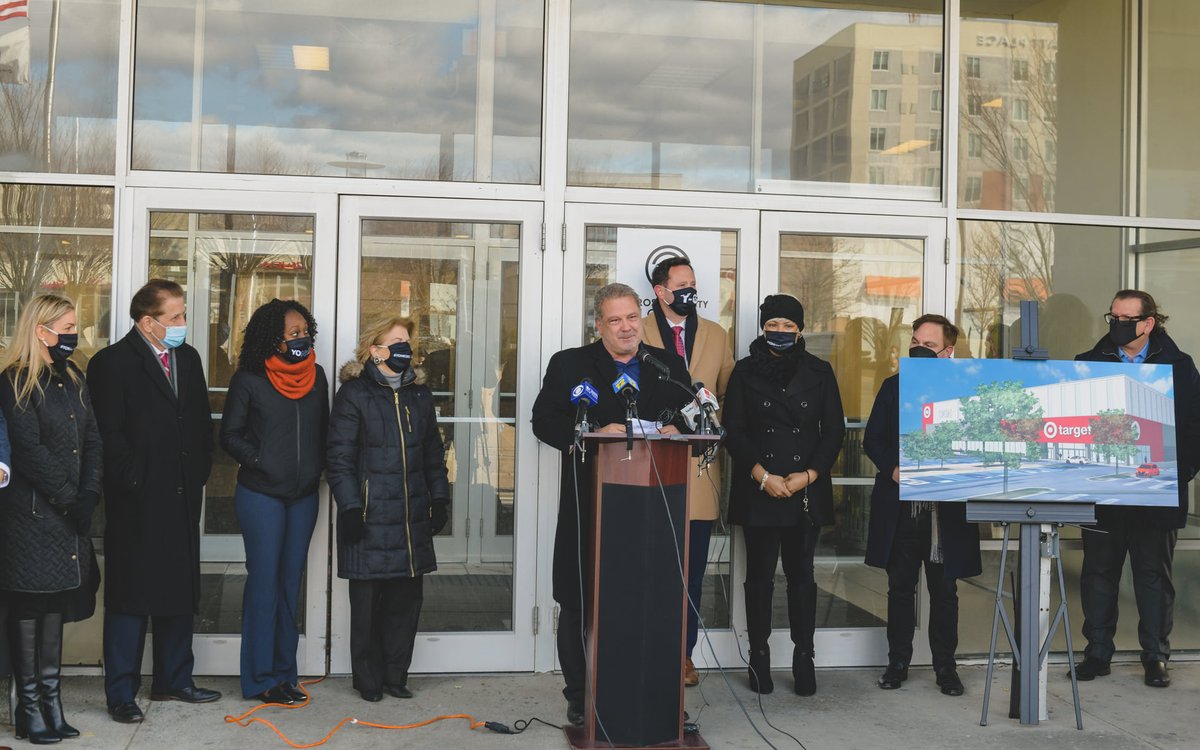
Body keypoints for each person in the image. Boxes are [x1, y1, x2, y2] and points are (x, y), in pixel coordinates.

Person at [532, 282, 692, 726]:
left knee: (651, 600)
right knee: (580, 597)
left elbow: (687, 418)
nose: (626, 328)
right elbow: (543, 420)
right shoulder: (570, 364)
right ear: (598, 324)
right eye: (615, 320)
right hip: (592, 503)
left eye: (632, 318)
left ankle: (655, 693)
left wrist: (679, 431)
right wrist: (586, 435)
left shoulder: (666, 363)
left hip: (654, 508)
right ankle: (580, 695)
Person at [87, 279, 219, 724]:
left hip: (182, 495)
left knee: (178, 592)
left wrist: (198, 473)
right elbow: (109, 434)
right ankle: (121, 692)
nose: (183, 323)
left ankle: (174, 679)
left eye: (183, 314)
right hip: (137, 500)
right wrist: (134, 481)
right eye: (176, 316)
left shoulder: (189, 357)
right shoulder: (112, 363)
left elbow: (200, 422)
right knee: (130, 598)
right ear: (148, 323)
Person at [1072, 290, 1200, 688]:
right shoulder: (1087, 364)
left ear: (1148, 323)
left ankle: (1156, 657)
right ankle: (1097, 653)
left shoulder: (1179, 366)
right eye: (1112, 316)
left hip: (1156, 493)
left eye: (1126, 318)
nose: (1117, 324)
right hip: (1103, 491)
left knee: (1152, 578)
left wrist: (1180, 473)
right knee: (1098, 575)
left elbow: (1195, 425)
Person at [723, 294, 844, 697]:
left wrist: (806, 475)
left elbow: (834, 432)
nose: (779, 332)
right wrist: (763, 476)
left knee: (802, 578)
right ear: (763, 327)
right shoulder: (744, 371)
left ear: (800, 329)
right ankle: (759, 656)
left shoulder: (820, 371)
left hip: (803, 488)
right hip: (761, 486)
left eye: (787, 326)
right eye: (772, 325)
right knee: (758, 579)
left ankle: (803, 657)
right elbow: (734, 431)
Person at [326, 316, 450, 702]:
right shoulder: (354, 394)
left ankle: (396, 675)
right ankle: (368, 679)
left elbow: (432, 453)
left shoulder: (419, 394)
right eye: (396, 342)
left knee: (405, 602)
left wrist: (440, 496)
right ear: (374, 349)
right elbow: (339, 458)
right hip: (368, 513)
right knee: (367, 606)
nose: (405, 350)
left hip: (410, 517)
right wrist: (348, 506)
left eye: (407, 343)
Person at [0, 294, 102, 744]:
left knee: (55, 606)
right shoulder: (15, 380)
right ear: (40, 329)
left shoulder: (73, 376)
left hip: (68, 514)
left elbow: (93, 438)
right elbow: (28, 450)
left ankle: (51, 703)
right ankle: (30, 709)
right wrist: (69, 498)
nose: (73, 333)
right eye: (66, 325)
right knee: (29, 606)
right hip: (32, 516)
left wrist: (90, 493)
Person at [864, 314, 981, 697]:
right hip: (902, 510)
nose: (918, 348)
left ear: (948, 352)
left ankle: (945, 668)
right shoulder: (893, 387)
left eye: (928, 344)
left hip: (944, 514)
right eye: (914, 341)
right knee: (900, 589)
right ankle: (897, 663)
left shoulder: (968, 391)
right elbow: (872, 440)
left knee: (945, 593)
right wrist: (893, 468)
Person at [220, 300, 328, 705]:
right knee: (264, 586)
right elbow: (230, 435)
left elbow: (325, 431)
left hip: (303, 497)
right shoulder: (248, 379)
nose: (302, 338)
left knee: (289, 585)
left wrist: (318, 468)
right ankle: (260, 679)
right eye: (293, 333)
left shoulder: (317, 377)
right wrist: (264, 461)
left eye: (305, 331)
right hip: (261, 495)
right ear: (273, 338)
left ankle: (286, 674)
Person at [640, 257, 734, 687]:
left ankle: (683, 656)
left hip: (698, 474)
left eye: (693, 285)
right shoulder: (635, 331)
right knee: (647, 570)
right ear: (660, 291)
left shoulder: (716, 334)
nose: (690, 292)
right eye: (682, 285)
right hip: (645, 471)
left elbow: (728, 397)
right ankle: (641, 651)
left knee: (691, 574)